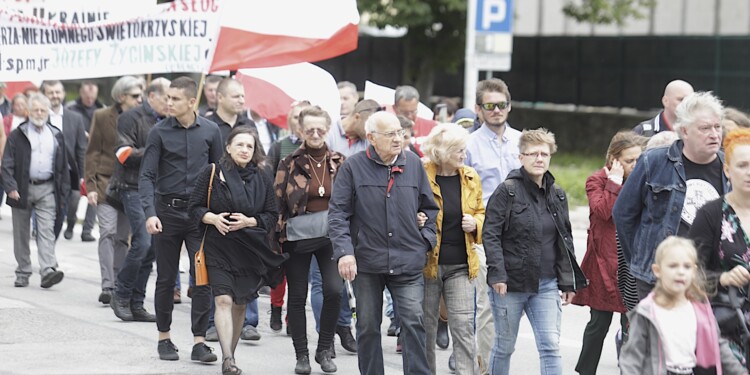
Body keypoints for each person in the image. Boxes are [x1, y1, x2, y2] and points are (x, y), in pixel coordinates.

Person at [329, 111, 439, 375]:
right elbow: (338, 214)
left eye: (400, 132)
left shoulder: (414, 164)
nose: (398, 139)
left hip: (407, 259)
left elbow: (430, 209)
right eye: (390, 134)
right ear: (371, 138)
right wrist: (345, 253)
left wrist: (425, 241)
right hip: (366, 261)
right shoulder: (352, 167)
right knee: (367, 325)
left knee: (413, 322)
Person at [483, 128, 587, 375]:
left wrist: (567, 282)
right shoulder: (506, 191)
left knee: (550, 346)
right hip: (510, 284)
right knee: (504, 346)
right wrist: (497, 274)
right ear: (521, 157)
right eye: (533, 154)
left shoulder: (557, 194)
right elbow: (490, 234)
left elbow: (564, 241)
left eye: (544, 153)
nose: (539, 159)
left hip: (547, 284)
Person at [189, 127, 286, 375]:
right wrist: (212, 218)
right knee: (223, 299)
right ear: (229, 147)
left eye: (249, 146)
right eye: (240, 145)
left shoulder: (262, 177)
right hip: (218, 246)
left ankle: (229, 353)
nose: (244, 150)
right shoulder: (212, 172)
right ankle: (228, 359)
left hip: (249, 248)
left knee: (240, 304)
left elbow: (271, 215)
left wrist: (249, 221)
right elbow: (194, 208)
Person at [614, 91, 729, 300]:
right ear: (684, 131)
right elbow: (623, 214)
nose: (714, 134)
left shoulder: (729, 167)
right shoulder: (654, 161)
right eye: (705, 128)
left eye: (717, 126)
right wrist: (643, 259)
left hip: (708, 276)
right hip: (657, 276)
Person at [139, 76, 223, 363]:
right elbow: (147, 175)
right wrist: (150, 213)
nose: (168, 102)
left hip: (200, 216)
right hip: (167, 213)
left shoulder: (211, 131)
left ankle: (200, 341)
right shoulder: (158, 132)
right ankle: (164, 337)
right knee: (165, 278)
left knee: (202, 279)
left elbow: (219, 175)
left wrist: (219, 214)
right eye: (167, 97)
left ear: (191, 101)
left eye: (175, 98)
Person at [274, 106, 345, 374]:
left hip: (331, 236)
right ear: (301, 131)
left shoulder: (340, 161)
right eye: (309, 129)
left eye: (320, 129)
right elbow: (278, 200)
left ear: (327, 130)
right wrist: (277, 238)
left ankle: (324, 349)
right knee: (297, 295)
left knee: (334, 290)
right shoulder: (289, 162)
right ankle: (301, 355)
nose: (315, 134)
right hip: (296, 237)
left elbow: (350, 201)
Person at [572, 131, 645, 374]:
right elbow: (604, 212)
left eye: (638, 160)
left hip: (631, 264)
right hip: (603, 264)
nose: (635, 166)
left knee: (632, 326)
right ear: (613, 159)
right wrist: (614, 182)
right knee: (598, 325)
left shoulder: (643, 181)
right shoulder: (597, 181)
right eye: (629, 160)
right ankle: (585, 371)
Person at [619, 236, 746, 375]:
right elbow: (632, 358)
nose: (680, 272)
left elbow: (718, 345)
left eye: (687, 267)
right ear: (657, 271)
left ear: (693, 271)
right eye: (673, 266)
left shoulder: (699, 308)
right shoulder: (647, 311)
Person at [465, 78, 521, 374]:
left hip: (521, 232)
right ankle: (484, 368)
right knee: (487, 305)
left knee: (512, 305)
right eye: (490, 106)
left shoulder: (523, 141)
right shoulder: (469, 145)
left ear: (509, 106)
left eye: (502, 105)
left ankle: (498, 362)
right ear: (478, 109)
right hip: (485, 232)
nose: (497, 110)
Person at [421, 123, 484, 375]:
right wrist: (416, 218)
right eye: (458, 150)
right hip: (427, 265)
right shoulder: (421, 174)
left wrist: (476, 223)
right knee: (424, 328)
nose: (463, 155)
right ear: (443, 151)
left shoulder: (470, 176)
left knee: (463, 326)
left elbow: (481, 211)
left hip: (461, 264)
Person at [204, 77, 262, 343]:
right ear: (220, 97)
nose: (242, 100)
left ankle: (248, 320)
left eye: (243, 96)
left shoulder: (248, 126)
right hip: (217, 205)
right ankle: (211, 321)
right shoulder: (207, 125)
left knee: (247, 263)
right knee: (215, 269)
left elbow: (258, 161)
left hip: (246, 204)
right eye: (237, 96)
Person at [110, 77, 170, 322]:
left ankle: (137, 303)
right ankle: (120, 295)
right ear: (152, 96)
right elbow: (123, 154)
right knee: (142, 242)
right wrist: (158, 150)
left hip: (158, 190)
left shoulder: (171, 121)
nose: (171, 103)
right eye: (167, 97)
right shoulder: (131, 117)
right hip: (132, 186)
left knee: (152, 248)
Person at [689, 128, 750, 364]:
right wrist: (723, 278)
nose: (749, 172)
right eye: (742, 165)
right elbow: (688, 272)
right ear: (727, 170)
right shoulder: (711, 214)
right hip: (724, 329)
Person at [84, 76, 143, 306]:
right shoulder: (101, 116)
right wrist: (90, 186)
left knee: (122, 238)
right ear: (121, 97)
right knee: (107, 232)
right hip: (105, 183)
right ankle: (107, 285)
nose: (140, 99)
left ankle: (119, 283)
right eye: (135, 96)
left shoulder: (143, 119)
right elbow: (92, 153)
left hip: (130, 186)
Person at [2, 93, 69, 288]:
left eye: (42, 110)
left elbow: (63, 166)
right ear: (28, 112)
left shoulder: (56, 135)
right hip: (21, 189)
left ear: (47, 112)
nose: (39, 113)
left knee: (46, 230)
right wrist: (11, 187)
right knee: (21, 233)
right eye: (35, 110)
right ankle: (23, 271)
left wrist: (63, 193)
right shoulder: (17, 134)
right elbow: (6, 164)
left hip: (47, 188)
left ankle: (47, 269)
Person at [266, 100, 310, 334]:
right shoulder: (279, 147)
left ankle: (293, 317)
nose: (301, 123)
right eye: (297, 118)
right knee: (279, 268)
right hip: (281, 218)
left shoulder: (319, 152)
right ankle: (275, 307)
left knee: (299, 272)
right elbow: (268, 180)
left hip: (307, 221)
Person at [41, 80, 93, 241]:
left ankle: (69, 224)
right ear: (44, 95)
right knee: (50, 210)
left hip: (71, 172)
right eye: (51, 92)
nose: (55, 96)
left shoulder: (75, 118)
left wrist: (83, 174)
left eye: (58, 92)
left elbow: (81, 148)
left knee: (73, 201)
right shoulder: (39, 115)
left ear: (63, 94)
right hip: (48, 173)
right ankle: (46, 238)